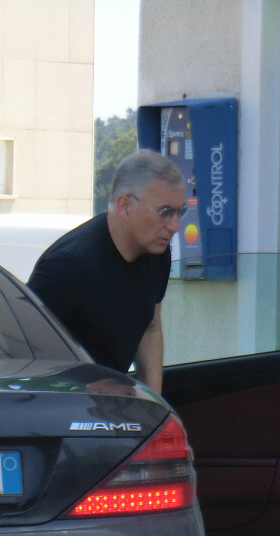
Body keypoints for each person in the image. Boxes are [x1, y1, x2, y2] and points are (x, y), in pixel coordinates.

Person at [26, 149, 185, 393]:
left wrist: (154, 407)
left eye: (179, 212)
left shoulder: (156, 252)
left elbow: (151, 329)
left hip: (110, 408)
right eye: (165, 212)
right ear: (125, 205)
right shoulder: (67, 266)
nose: (175, 226)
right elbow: (25, 358)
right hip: (63, 410)